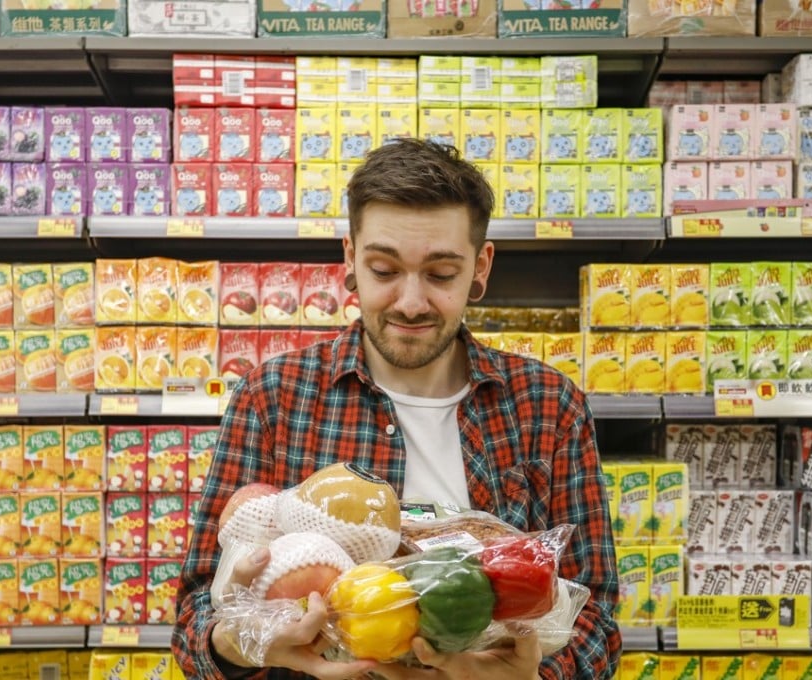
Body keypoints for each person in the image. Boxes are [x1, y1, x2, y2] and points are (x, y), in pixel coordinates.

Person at [173, 138, 621, 680]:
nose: (410, 302)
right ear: (350, 260)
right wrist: (246, 642)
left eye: (440, 274)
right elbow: (195, 620)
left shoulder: (548, 406)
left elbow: (596, 621)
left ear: (480, 268)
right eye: (384, 270)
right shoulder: (273, 396)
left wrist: (527, 678)